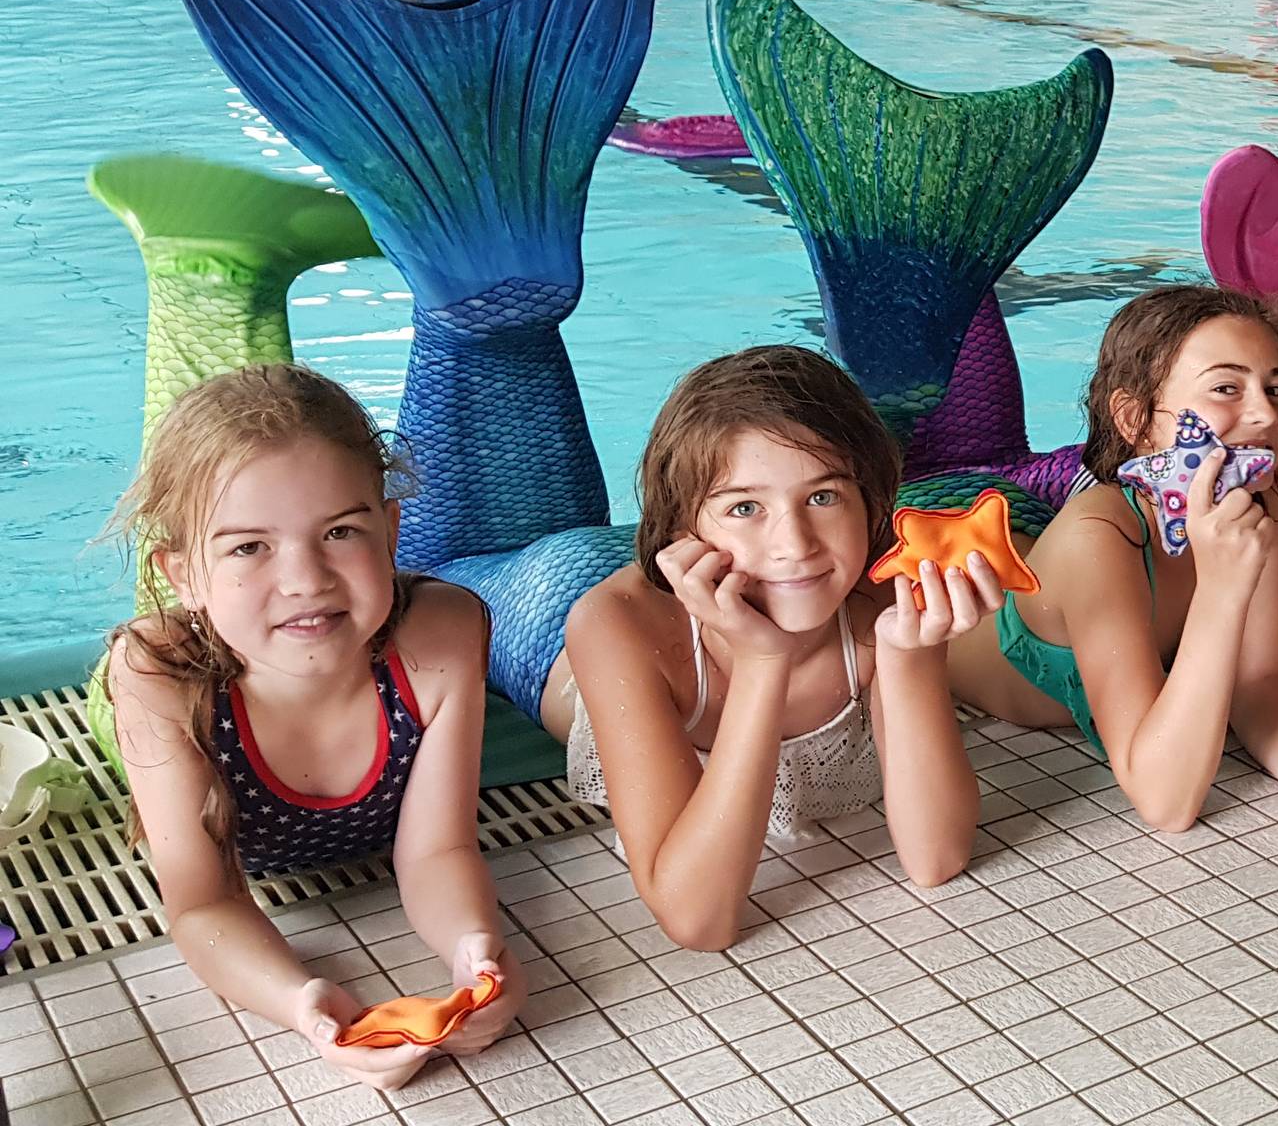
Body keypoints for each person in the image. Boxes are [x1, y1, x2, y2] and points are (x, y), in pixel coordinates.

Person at [106, 365, 521, 1090]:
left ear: (390, 531)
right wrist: (304, 1007)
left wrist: (476, 951)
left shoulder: (440, 634)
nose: (307, 579)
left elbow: (436, 850)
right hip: (194, 700)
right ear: (184, 575)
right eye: (248, 547)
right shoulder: (160, 679)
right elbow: (203, 901)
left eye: (340, 531)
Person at [547, 347, 999, 950]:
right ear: (684, 529)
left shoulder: (882, 597)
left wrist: (909, 656)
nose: (795, 544)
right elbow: (697, 921)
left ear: (871, 503)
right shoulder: (618, 626)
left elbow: (936, 858)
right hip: (554, 625)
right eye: (745, 507)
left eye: (822, 497)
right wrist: (764, 661)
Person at [946, 287, 1278, 844]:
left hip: (1025, 540)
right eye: (1226, 388)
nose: (1265, 414)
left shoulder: (1259, 501)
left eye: (1276, 389)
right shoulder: (1099, 539)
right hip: (951, 588)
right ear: (1135, 418)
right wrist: (1221, 588)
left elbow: (1259, 681)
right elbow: (1165, 801)